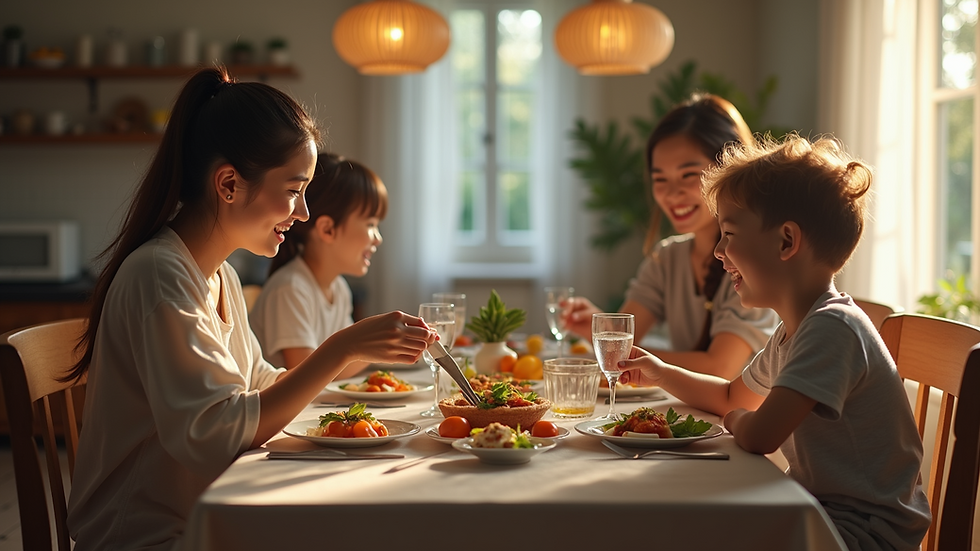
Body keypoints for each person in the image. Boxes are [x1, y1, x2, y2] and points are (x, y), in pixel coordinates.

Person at [64, 68, 437, 551]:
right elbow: (214, 436)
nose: (301, 212)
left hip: (200, 514)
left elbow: (258, 385)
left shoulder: (220, 276)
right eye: (292, 190)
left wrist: (350, 359)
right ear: (228, 184)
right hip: (147, 535)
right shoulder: (159, 274)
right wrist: (343, 347)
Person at [619, 134, 931, 550]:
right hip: (820, 511)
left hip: (862, 533)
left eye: (729, 233)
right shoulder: (796, 330)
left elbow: (758, 433)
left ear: (786, 241)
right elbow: (734, 396)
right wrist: (660, 373)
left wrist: (734, 423)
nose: (718, 251)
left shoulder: (832, 328)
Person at [563, 94, 778, 379]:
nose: (671, 193)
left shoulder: (753, 261)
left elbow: (721, 368)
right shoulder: (668, 257)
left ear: (730, 174)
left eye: (689, 175)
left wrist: (623, 352)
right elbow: (625, 338)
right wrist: (599, 330)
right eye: (660, 179)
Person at [250, 153, 386, 376]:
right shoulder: (290, 289)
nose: (377, 238)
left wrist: (391, 350)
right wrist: (379, 347)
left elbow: (339, 367)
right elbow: (305, 374)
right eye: (370, 224)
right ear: (327, 230)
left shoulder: (339, 288)